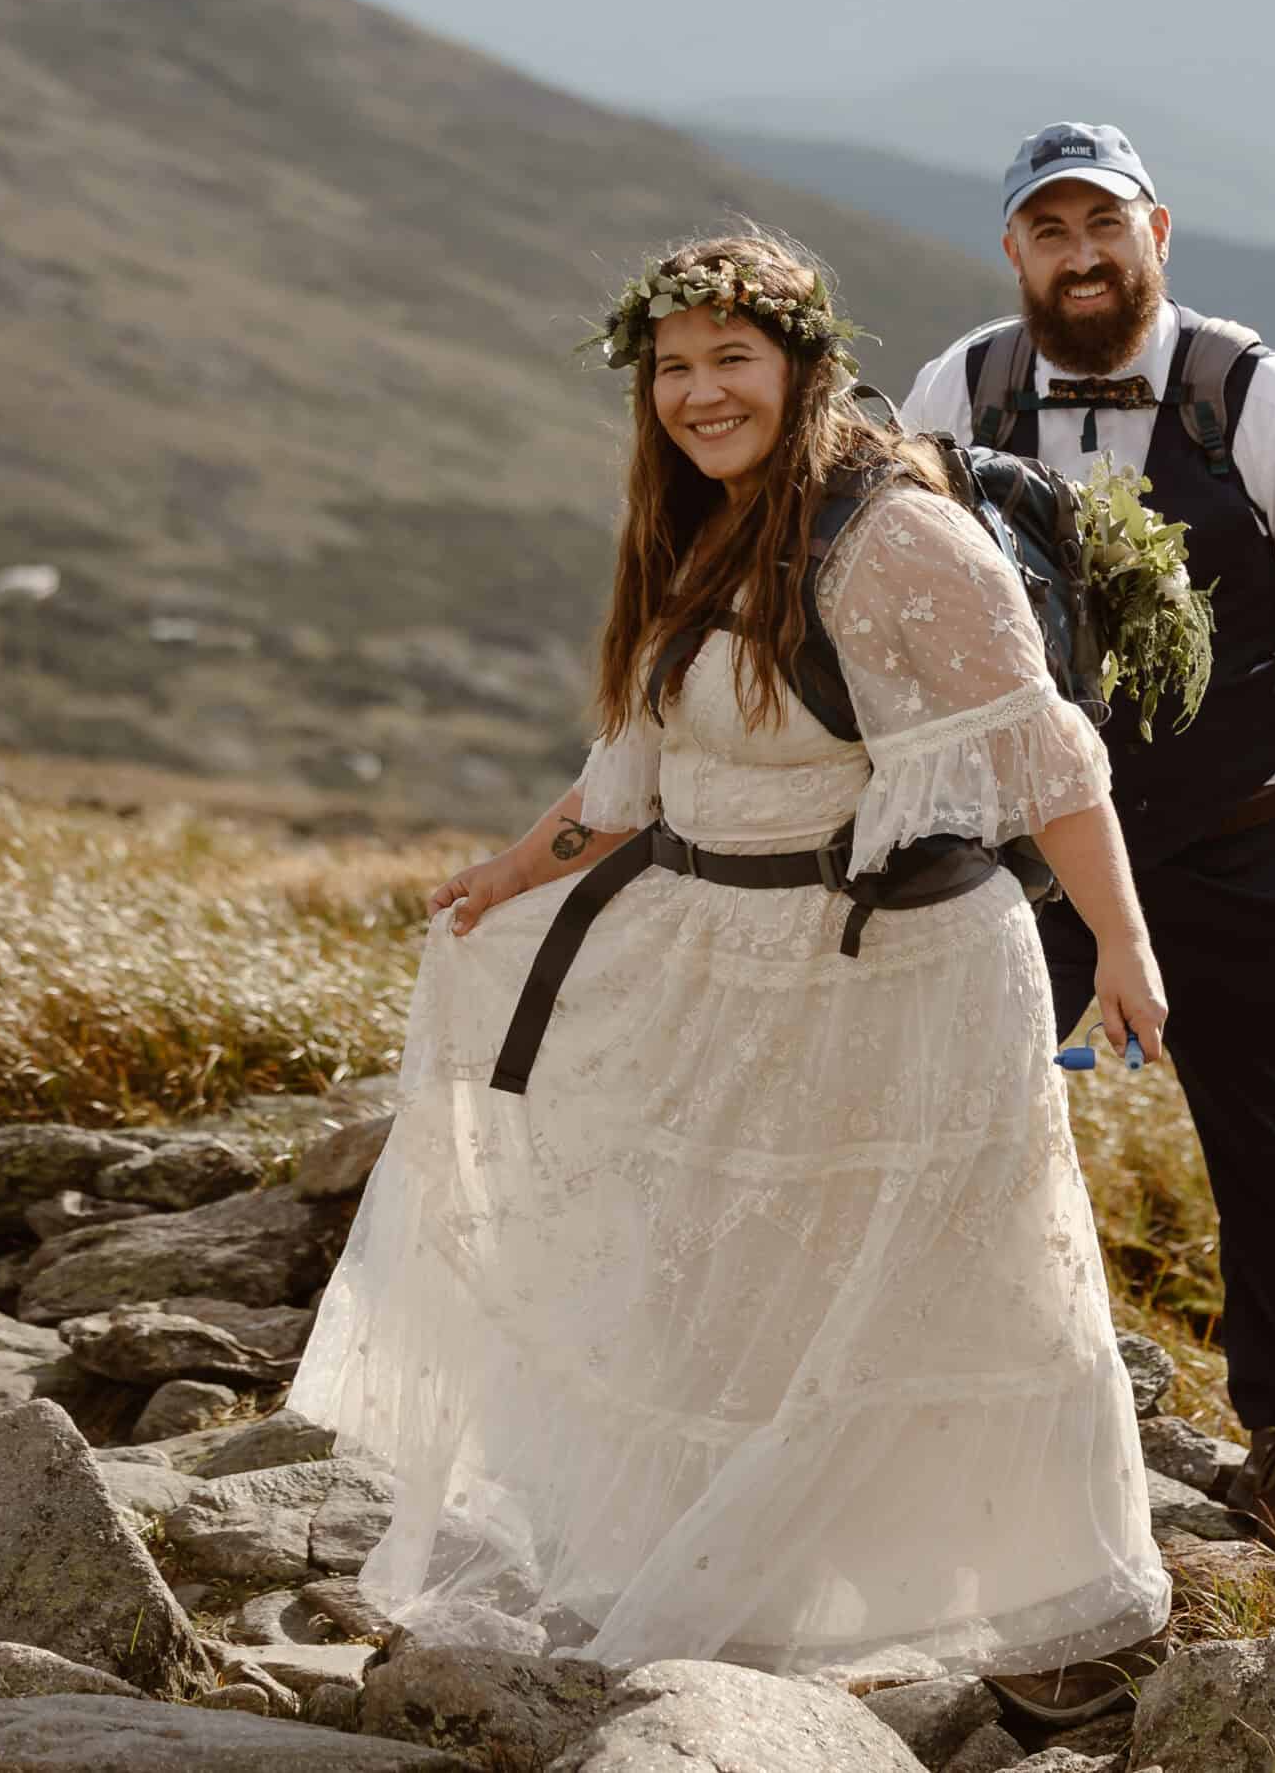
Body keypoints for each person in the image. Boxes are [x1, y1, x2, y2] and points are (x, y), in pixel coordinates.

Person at [289, 229, 1177, 1705]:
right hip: (730, 966)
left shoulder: (896, 536)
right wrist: (512, 874)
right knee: (724, 1288)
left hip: (901, 980)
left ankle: (1010, 1611)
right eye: (675, 370)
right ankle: (721, 1590)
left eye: (731, 362)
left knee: (918, 1292)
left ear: (803, 366)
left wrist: (1127, 952)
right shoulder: (704, 523)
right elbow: (637, 763)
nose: (700, 395)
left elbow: (1045, 760)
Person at [897, 121, 1275, 1559]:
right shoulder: (964, 388)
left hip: (1246, 844)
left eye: (1102, 226)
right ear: (1014, 251)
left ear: (1157, 234)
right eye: (1048, 231)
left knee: (1263, 1150)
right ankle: (955, 1422)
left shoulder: (1260, 400)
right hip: (1034, 845)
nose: (1079, 256)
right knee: (972, 1120)